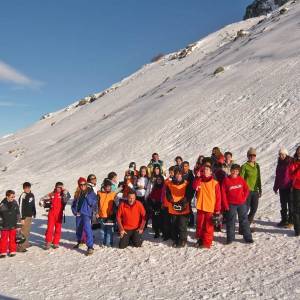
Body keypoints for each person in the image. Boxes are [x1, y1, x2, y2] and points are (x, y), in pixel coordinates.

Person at [222, 164, 253, 244]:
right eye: (233, 170)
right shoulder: (226, 180)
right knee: (231, 221)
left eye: (237, 171)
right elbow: (223, 193)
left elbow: (246, 189)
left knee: (244, 220)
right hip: (231, 204)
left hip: (241, 204)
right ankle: (230, 238)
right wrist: (225, 204)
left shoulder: (240, 179)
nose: (235, 172)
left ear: (238, 172)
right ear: (231, 170)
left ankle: (248, 237)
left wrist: (244, 198)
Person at [193, 165, 221, 248]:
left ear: (211, 172)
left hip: (210, 208)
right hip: (201, 207)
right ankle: (200, 240)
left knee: (208, 226)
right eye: (204, 169)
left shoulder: (215, 183)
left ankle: (207, 242)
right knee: (200, 225)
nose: (205, 171)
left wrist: (217, 209)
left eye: (207, 169)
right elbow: (194, 187)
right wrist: (197, 177)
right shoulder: (200, 181)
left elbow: (218, 197)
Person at [40, 182, 71, 250]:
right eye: (58, 187)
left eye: (60, 187)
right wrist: (42, 202)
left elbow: (68, 197)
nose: (59, 189)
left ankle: (56, 242)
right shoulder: (52, 194)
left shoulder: (63, 195)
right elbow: (42, 199)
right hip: (52, 214)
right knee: (50, 228)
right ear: (55, 187)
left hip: (59, 214)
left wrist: (65, 191)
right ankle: (48, 242)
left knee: (58, 229)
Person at [71, 177, 97, 255]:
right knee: (78, 228)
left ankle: (90, 246)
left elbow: (94, 203)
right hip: (78, 214)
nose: (82, 186)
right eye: (80, 185)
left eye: (84, 184)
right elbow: (74, 203)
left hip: (86, 213)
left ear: (86, 184)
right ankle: (80, 241)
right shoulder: (77, 193)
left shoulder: (90, 192)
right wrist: (74, 211)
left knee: (87, 229)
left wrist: (87, 196)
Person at [165, 169, 189, 247]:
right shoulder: (170, 184)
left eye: (180, 174)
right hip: (173, 207)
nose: (178, 176)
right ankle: (175, 239)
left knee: (182, 224)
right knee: (174, 224)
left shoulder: (186, 183)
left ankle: (183, 239)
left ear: (182, 175)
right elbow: (167, 194)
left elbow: (189, 194)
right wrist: (171, 199)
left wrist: (184, 201)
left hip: (183, 207)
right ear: (174, 175)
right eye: (177, 174)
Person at [240, 148, 262, 226]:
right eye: (250, 155)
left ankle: (246, 225)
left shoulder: (257, 166)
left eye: (254, 155)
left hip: (255, 190)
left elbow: (258, 178)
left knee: (254, 209)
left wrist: (260, 189)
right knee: (245, 209)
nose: (252, 157)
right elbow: (241, 179)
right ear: (248, 156)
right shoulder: (244, 166)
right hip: (247, 191)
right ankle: (242, 227)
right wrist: (242, 190)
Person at [273, 148, 293, 228]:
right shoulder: (279, 164)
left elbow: (293, 175)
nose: (281, 156)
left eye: (283, 154)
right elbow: (277, 176)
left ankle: (291, 221)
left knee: (291, 204)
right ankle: (284, 220)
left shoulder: (290, 162)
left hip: (289, 187)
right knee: (283, 204)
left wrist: (293, 185)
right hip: (282, 187)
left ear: (286, 154)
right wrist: (275, 187)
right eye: (280, 154)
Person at [0, 190, 21, 258]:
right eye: (12, 197)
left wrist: (18, 225)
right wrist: (1, 224)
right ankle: (3, 252)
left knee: (12, 238)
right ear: (7, 197)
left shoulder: (15, 204)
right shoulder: (2, 205)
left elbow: (18, 215)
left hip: (13, 225)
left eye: (14, 197)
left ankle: (12, 251)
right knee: (3, 239)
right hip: (4, 225)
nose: (13, 198)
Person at [97, 179, 118, 247]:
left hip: (110, 216)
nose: (108, 188)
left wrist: (114, 212)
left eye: (109, 186)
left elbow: (116, 204)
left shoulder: (113, 194)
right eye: (107, 186)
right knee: (102, 230)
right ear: (104, 187)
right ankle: (103, 242)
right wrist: (96, 212)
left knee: (109, 230)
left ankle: (109, 243)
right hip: (101, 215)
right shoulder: (100, 194)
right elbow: (96, 204)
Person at [17, 182, 36, 252]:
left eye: (28, 188)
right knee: (23, 231)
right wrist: (22, 218)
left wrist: (34, 212)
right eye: (25, 188)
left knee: (27, 231)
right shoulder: (23, 196)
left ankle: (26, 243)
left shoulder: (31, 194)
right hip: (24, 217)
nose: (27, 189)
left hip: (30, 216)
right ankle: (20, 247)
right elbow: (20, 207)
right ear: (23, 188)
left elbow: (32, 204)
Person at [288, 146, 300, 236]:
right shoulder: (293, 163)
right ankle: (297, 229)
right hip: (297, 189)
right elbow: (291, 176)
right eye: (298, 151)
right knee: (296, 210)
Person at [161, 166, 175, 241]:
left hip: (174, 204)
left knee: (173, 221)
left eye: (172, 172)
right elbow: (163, 192)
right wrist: (162, 202)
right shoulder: (166, 181)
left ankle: (173, 234)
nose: (171, 173)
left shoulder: (177, 180)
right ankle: (166, 234)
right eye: (170, 172)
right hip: (166, 203)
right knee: (166, 220)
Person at [182, 161, 195, 227]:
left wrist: (190, 196)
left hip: (188, 195)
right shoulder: (180, 174)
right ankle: (184, 221)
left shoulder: (191, 175)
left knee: (189, 208)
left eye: (186, 166)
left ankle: (191, 222)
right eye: (183, 166)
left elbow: (193, 187)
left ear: (188, 167)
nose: (184, 168)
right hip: (181, 195)